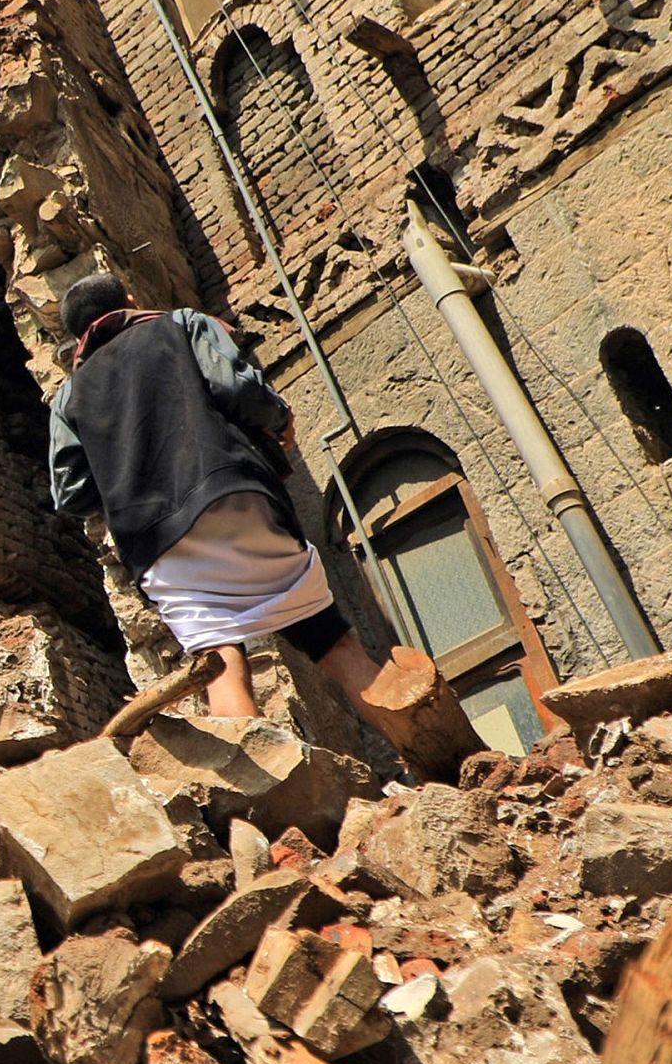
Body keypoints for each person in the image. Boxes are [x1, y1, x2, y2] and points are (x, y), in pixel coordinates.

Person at [47, 273, 467, 765]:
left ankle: (269, 800)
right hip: (234, 495)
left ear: (79, 338)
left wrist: (124, 469)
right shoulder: (182, 325)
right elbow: (235, 388)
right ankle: (442, 761)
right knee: (334, 645)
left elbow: (70, 492)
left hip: (163, 546)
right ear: (131, 301)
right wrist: (279, 419)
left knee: (222, 669)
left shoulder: (68, 396)